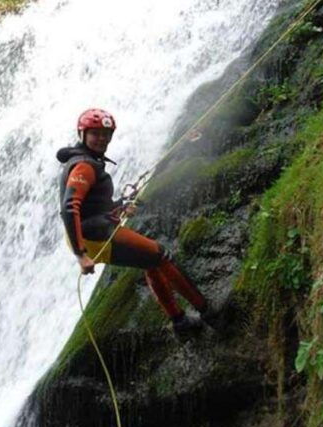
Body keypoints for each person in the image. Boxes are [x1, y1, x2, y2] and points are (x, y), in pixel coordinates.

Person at [58, 108, 210, 334]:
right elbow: (69, 208)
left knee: (149, 260)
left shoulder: (84, 160)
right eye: (96, 133)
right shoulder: (85, 166)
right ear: (83, 134)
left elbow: (90, 203)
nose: (102, 139)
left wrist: (116, 206)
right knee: (160, 255)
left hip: (89, 232)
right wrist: (81, 255)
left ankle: (180, 322)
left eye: (106, 134)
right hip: (92, 238)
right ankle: (208, 312)